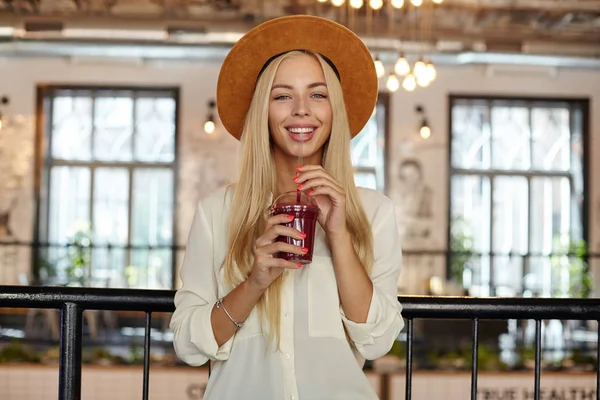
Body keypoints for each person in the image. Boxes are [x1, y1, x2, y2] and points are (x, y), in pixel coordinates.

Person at [170, 15, 404, 400]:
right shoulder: (217, 212)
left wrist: (339, 235)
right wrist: (255, 281)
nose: (301, 110)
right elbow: (188, 344)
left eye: (318, 94)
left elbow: (377, 341)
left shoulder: (374, 211)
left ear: (334, 110)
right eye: (282, 96)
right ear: (263, 109)